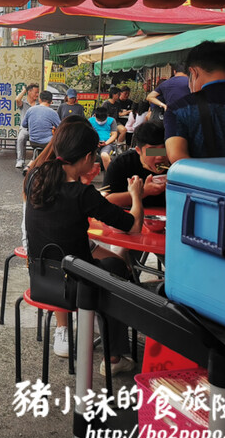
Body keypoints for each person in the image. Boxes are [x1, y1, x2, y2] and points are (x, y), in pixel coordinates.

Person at [25, 119, 143, 373]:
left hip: (41, 279)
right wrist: (136, 193)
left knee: (112, 265)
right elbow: (132, 225)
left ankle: (108, 345)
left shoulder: (35, 176)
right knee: (116, 271)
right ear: (89, 156)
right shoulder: (82, 194)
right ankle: (113, 358)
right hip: (75, 287)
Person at [105, 122, 170, 208]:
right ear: (138, 150)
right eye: (152, 151)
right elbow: (108, 200)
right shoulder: (121, 163)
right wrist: (144, 192)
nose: (160, 157)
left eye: (164, 150)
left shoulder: (177, 165)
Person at [19, 90, 60, 167]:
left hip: (33, 141)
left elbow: (24, 125)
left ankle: (30, 165)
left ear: (40, 100)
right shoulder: (53, 112)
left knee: (38, 152)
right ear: (51, 101)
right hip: (47, 143)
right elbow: (60, 127)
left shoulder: (30, 110)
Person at [14, 83, 40, 169]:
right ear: (29, 92)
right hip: (25, 128)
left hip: (36, 129)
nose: (37, 94)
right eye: (35, 92)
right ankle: (20, 160)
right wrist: (24, 91)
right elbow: (17, 99)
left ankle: (35, 160)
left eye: (38, 92)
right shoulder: (23, 103)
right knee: (21, 138)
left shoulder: (39, 104)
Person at [89, 106, 118, 170]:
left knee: (104, 155)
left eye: (103, 120)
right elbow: (87, 134)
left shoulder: (112, 121)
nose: (100, 122)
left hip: (107, 143)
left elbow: (114, 134)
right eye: (99, 120)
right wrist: (94, 142)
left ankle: (109, 175)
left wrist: (106, 143)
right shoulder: (90, 121)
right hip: (93, 143)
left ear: (107, 116)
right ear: (95, 115)